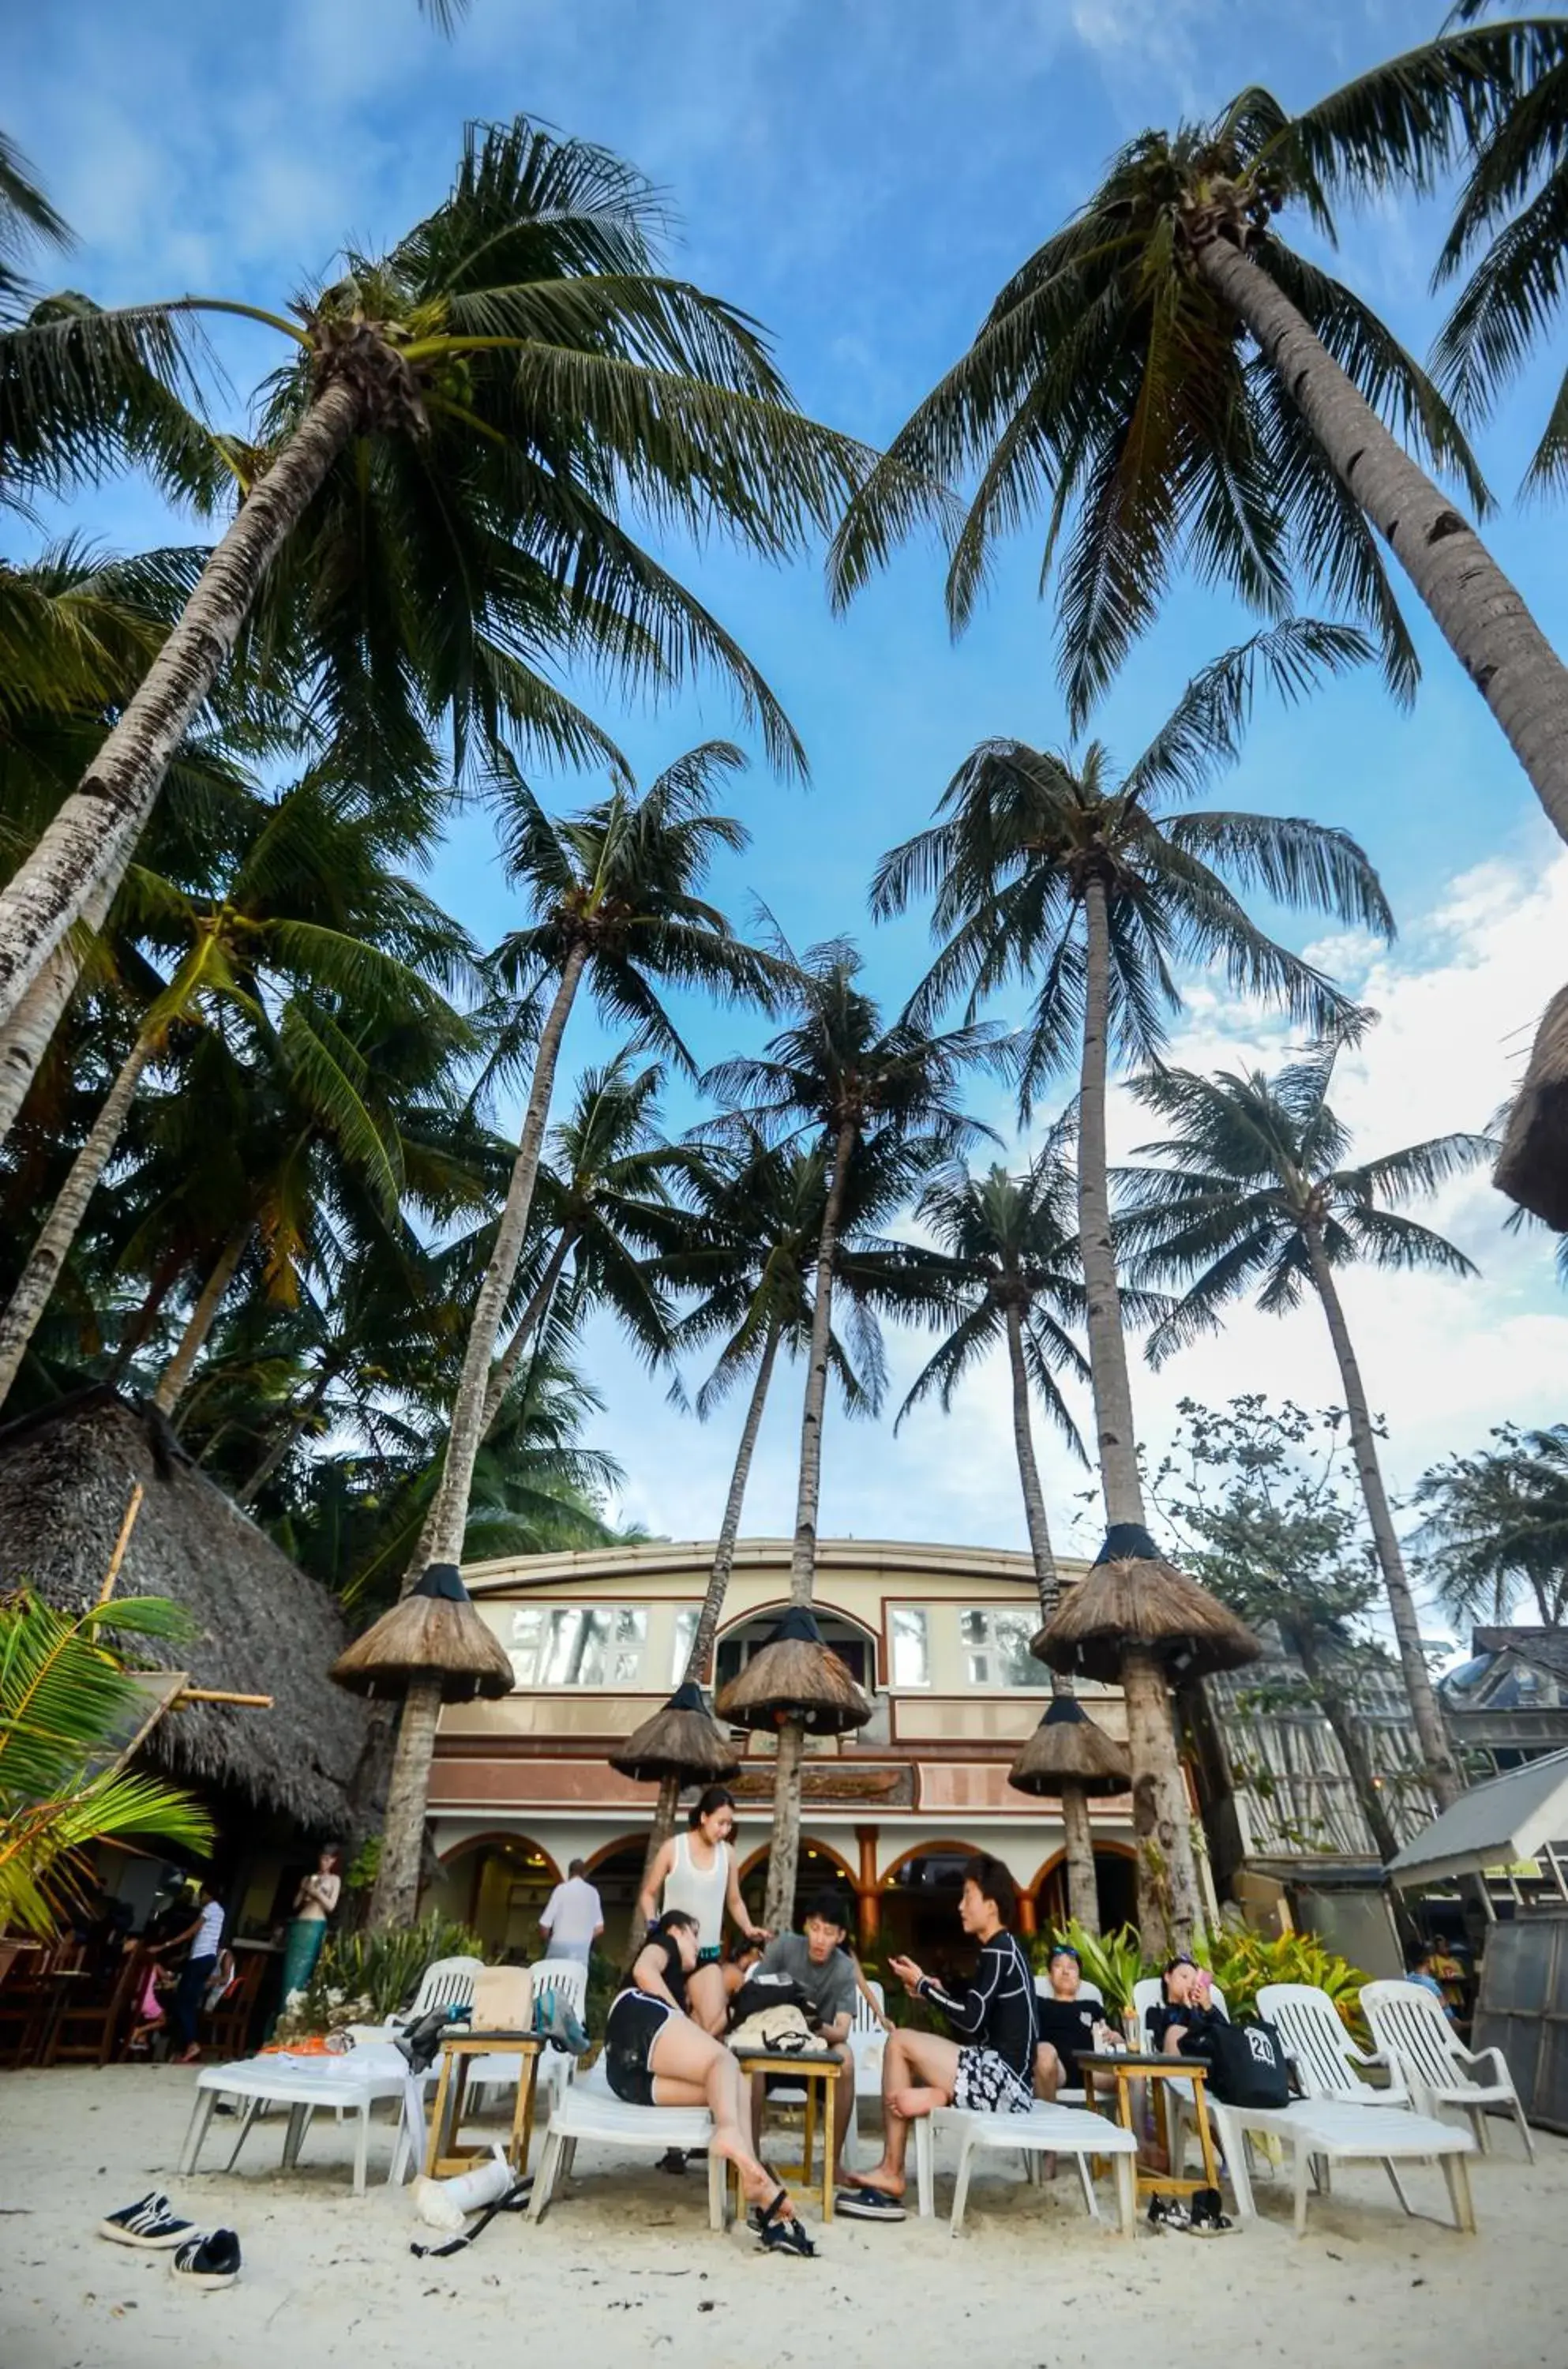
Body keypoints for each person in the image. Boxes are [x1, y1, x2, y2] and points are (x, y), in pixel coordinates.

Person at [838, 1856, 1037, 2221]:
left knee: (898, 2043)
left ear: (991, 1906)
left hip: (1004, 2085)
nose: (960, 1906)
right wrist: (932, 1987)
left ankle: (893, 2168)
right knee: (904, 2042)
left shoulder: (998, 1951)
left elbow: (973, 2019)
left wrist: (925, 1989)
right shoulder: (1005, 1949)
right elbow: (978, 2010)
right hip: (1002, 2077)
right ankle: (935, 2099)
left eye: (968, 1897)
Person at [603, 1910, 812, 2255]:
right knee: (724, 2059)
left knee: (732, 2084)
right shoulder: (663, 1942)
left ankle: (754, 2181)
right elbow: (643, 1970)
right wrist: (679, 2017)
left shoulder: (680, 1980)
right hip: (635, 2015)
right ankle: (729, 2134)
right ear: (676, 1929)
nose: (698, 1946)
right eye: (693, 1935)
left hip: (627, 2078)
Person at [748, 1890, 859, 2190]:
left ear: (841, 1936)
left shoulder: (845, 1969)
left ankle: (833, 2163)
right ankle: (752, 2160)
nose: (820, 1939)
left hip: (815, 2049)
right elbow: (752, 1993)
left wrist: (813, 2026)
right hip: (772, 2045)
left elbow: (842, 2030)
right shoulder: (784, 1947)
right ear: (807, 1926)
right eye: (815, 1929)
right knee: (748, 2063)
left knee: (846, 2058)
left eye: (829, 1932)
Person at [636, 1785, 767, 2035]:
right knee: (666, 2023)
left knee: (712, 2025)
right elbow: (648, 1893)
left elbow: (735, 1900)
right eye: (720, 1823)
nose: (725, 1830)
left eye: (729, 1824)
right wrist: (653, 1924)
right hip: (671, 1952)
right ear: (704, 1817)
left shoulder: (727, 1854)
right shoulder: (674, 1848)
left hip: (706, 1955)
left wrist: (749, 1928)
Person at [1032, 1942, 1122, 2099]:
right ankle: (1048, 2122)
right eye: (1058, 1966)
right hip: (1057, 2069)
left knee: (1133, 2073)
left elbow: (1112, 2040)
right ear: (1050, 1975)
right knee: (1043, 2052)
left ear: (1079, 1978)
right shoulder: (1038, 2004)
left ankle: (1136, 2124)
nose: (1066, 1971)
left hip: (1092, 2071)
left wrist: (1117, 2039)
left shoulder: (1092, 2006)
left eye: (1072, 1968)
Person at [156, 1881, 225, 2066]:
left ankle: (191, 2043)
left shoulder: (210, 1908)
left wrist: (166, 1945)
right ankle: (184, 2047)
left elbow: (192, 1932)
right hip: (206, 1959)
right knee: (188, 2002)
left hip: (199, 1960)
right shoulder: (220, 1911)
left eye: (201, 1895)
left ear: (208, 1894)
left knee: (182, 2001)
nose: (200, 1899)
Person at [278, 1844, 342, 2011]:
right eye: (322, 1858)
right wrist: (303, 1890)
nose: (324, 1863)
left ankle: (292, 2010)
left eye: (328, 1859)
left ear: (333, 1861)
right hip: (300, 1922)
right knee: (289, 1973)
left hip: (315, 1923)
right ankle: (282, 2010)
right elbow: (296, 1904)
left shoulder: (334, 1880)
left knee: (303, 1970)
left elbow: (331, 1906)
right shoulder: (308, 1878)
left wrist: (316, 1893)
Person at [1146, 1954, 1225, 2056]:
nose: (1190, 1984)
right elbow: (1163, 2043)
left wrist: (1208, 2007)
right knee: (1175, 2032)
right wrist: (1188, 2009)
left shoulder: (1204, 2012)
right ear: (1168, 1977)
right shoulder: (1156, 2013)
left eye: (1194, 1981)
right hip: (1178, 2066)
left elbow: (1227, 2034)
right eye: (1184, 1977)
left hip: (1212, 2066)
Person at [539, 1858, 605, 1969]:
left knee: (554, 1982)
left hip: (558, 1948)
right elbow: (599, 1928)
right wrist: (584, 1938)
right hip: (581, 1952)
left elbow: (544, 1924)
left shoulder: (561, 1889)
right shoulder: (593, 1893)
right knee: (576, 1983)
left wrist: (547, 1941)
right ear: (585, 1874)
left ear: (569, 1873)